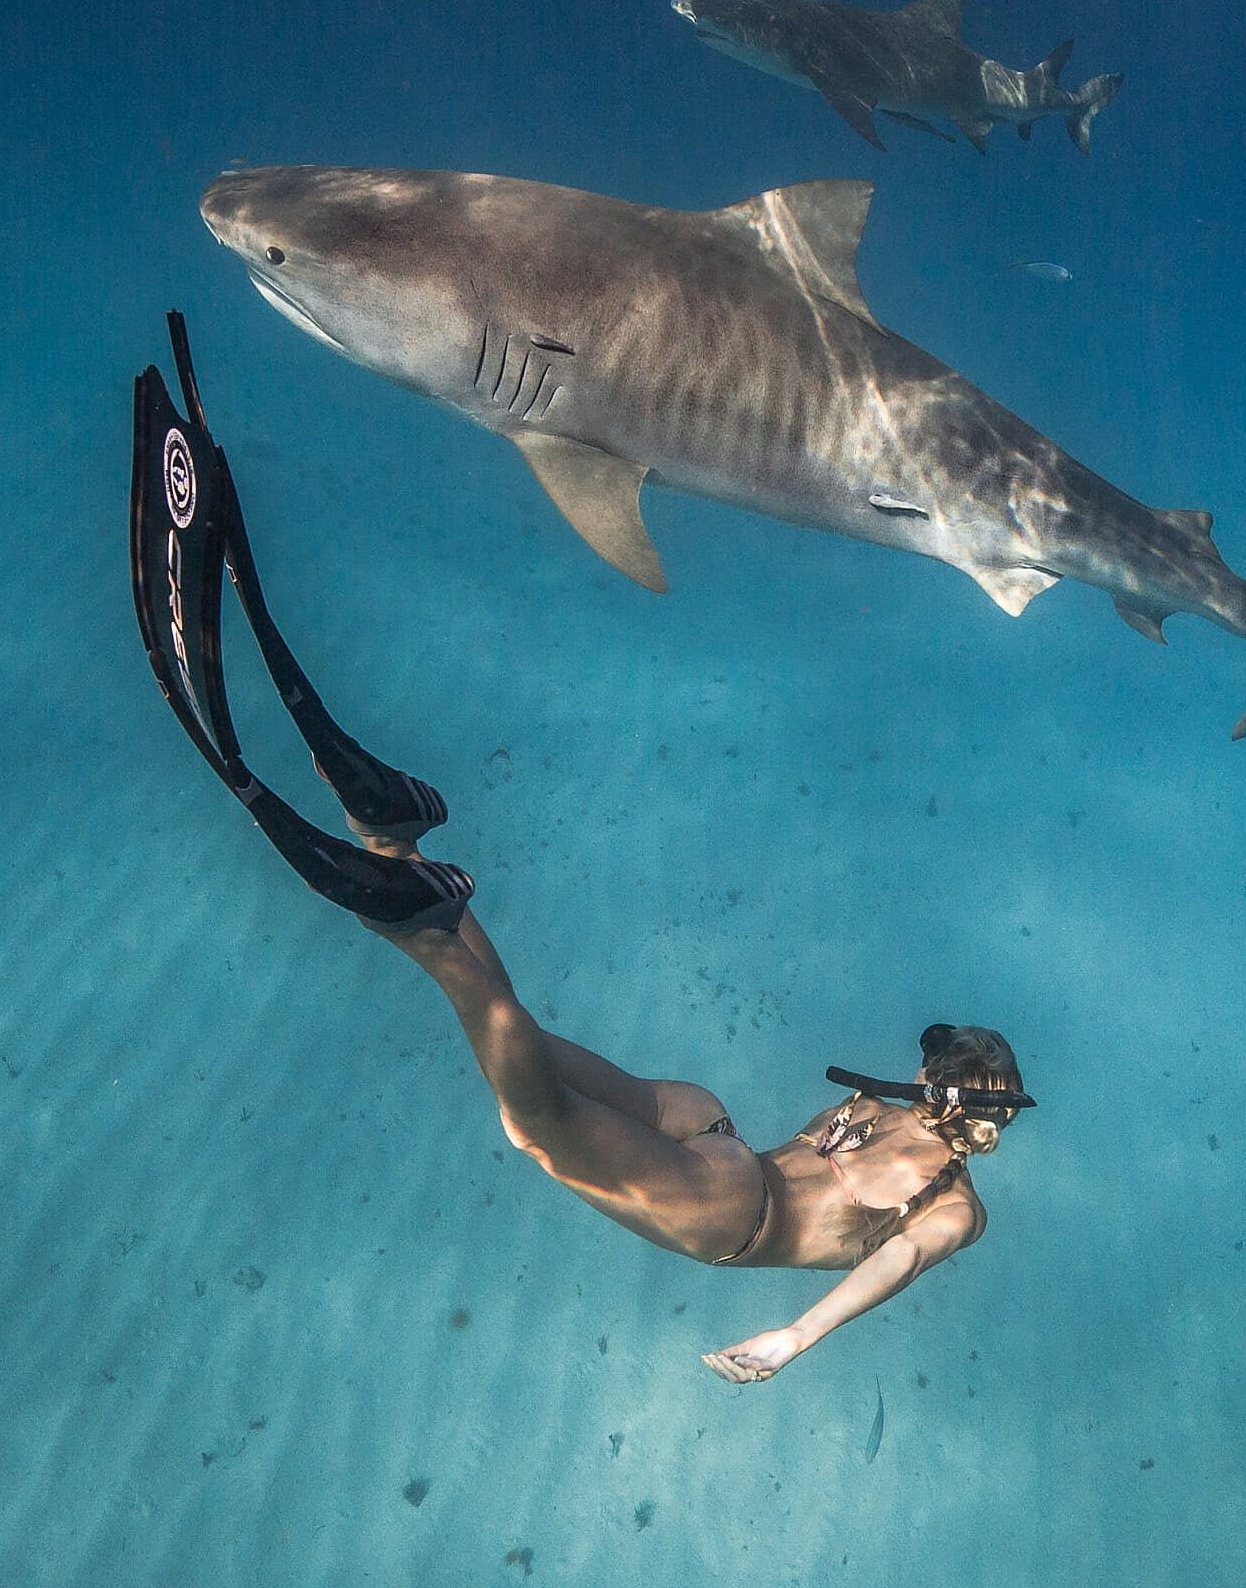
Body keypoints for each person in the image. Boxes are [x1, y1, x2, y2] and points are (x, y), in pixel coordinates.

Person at [129, 315, 1031, 1383]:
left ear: (943, 1085)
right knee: (537, 1125)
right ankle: (411, 905)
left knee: (524, 1035)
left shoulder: (889, 1114)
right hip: (726, 1209)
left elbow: (876, 1219)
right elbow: (889, 1268)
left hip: (712, 1127)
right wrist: (795, 1335)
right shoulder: (955, 1209)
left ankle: (393, 828)